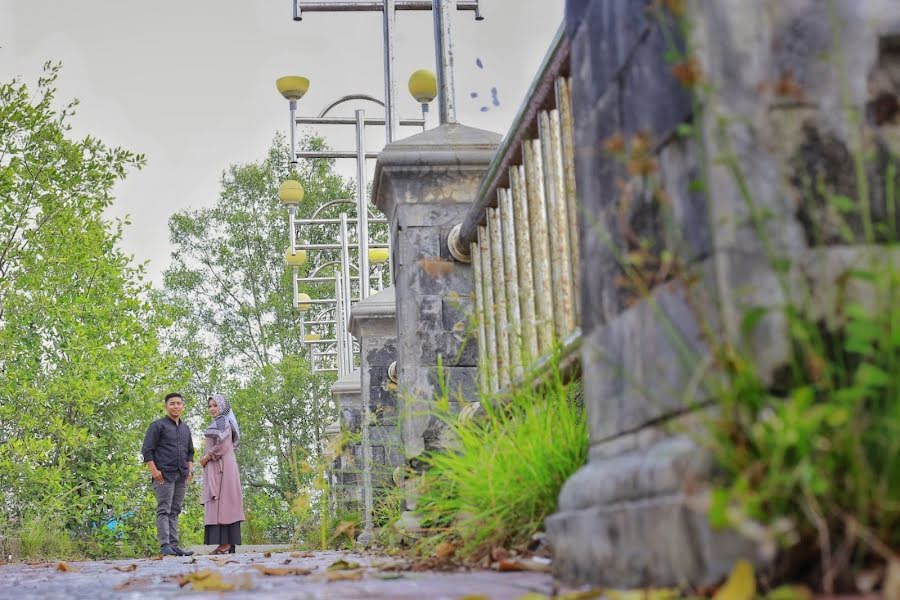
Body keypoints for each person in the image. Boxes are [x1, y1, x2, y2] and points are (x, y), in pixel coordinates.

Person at [141, 392, 195, 557]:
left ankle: (174, 545)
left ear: (183, 406)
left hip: (181, 475)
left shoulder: (186, 429)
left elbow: (190, 452)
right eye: (172, 403)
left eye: (179, 403)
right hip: (163, 475)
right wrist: (154, 471)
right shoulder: (157, 426)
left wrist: (190, 470)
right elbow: (147, 450)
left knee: (175, 510)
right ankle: (165, 545)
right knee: (164, 509)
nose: (176, 406)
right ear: (166, 406)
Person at [200, 394, 245, 554]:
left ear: (223, 407)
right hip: (220, 466)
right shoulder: (219, 422)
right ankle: (225, 544)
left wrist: (206, 457)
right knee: (222, 503)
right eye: (210, 406)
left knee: (225, 503)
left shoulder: (223, 421)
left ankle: (225, 544)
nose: (212, 409)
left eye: (215, 405)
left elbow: (223, 446)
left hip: (223, 467)